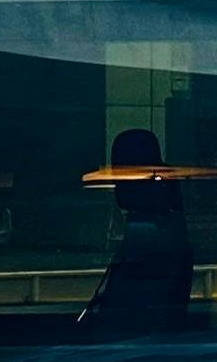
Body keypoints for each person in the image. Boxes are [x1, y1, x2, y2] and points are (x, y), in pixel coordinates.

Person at [79, 126, 195, 337]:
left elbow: (131, 315)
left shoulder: (146, 234)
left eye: (120, 174)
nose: (115, 183)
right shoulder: (169, 227)